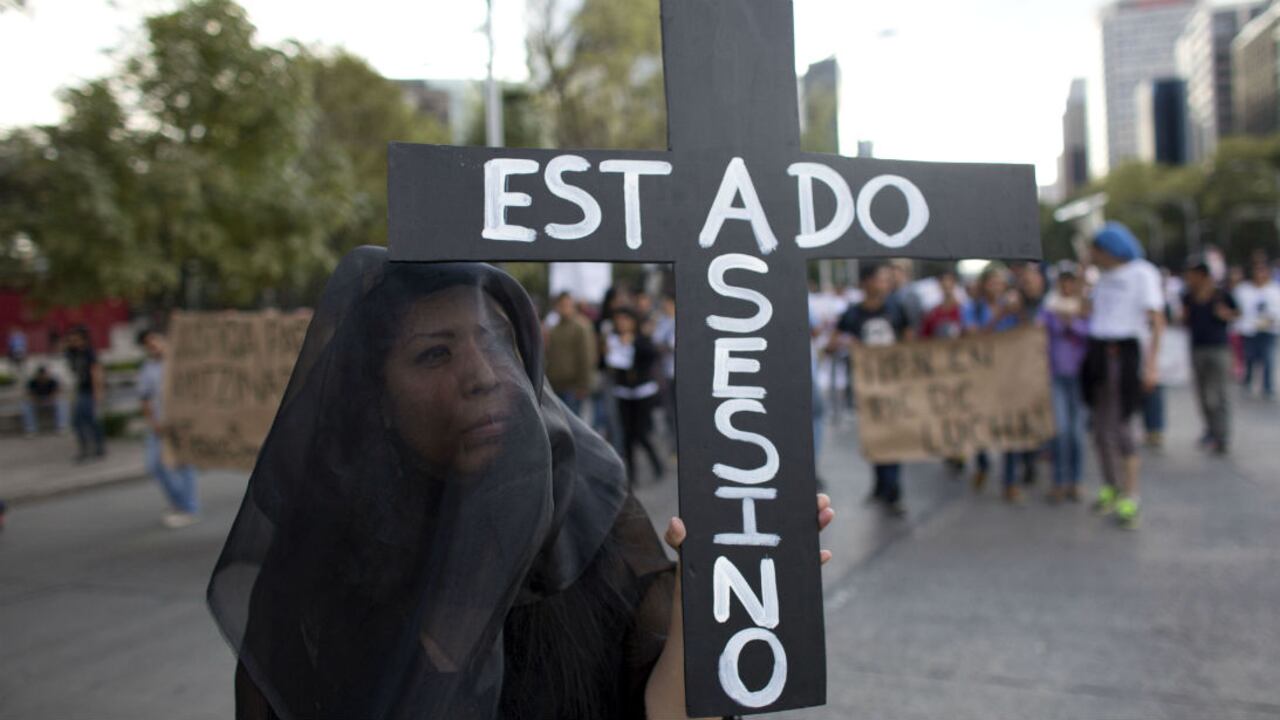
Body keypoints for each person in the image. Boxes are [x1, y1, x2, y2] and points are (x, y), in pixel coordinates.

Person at [208, 247, 835, 720]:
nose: (483, 375)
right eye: (434, 354)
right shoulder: (312, 581)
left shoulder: (594, 518)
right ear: (372, 398)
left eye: (498, 342)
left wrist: (712, 601)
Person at [1081, 222, 1164, 530]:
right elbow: (1084, 310)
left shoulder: (1143, 273)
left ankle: (1131, 495)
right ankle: (1111, 486)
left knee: (1120, 427)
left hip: (1123, 352)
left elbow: (1157, 320)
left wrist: (1152, 364)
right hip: (1099, 351)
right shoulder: (1102, 277)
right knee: (1101, 429)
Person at [833, 263, 911, 516]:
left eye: (888, 280)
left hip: (893, 385)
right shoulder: (853, 313)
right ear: (866, 282)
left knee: (894, 437)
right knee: (875, 436)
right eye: (881, 278)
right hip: (865, 387)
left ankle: (893, 490)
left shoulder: (897, 308)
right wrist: (847, 342)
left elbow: (912, 341)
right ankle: (881, 486)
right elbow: (832, 342)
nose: (886, 284)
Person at [961, 265, 1022, 500]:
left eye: (1000, 282)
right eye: (991, 282)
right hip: (982, 376)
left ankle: (1010, 481)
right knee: (981, 424)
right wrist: (1000, 315)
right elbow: (974, 336)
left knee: (1011, 428)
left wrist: (1018, 312)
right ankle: (983, 463)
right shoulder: (973, 308)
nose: (996, 287)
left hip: (1008, 375)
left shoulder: (1016, 308)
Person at [137, 328, 201, 528]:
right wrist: (153, 423)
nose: (154, 346)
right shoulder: (148, 369)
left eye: (155, 341)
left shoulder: (180, 363)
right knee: (155, 464)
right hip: (160, 425)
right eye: (149, 344)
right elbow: (145, 398)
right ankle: (180, 502)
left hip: (181, 423)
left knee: (183, 465)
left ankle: (188, 508)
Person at [1040, 262, 1089, 502]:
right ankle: (1059, 480)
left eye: (1072, 281)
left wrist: (1073, 322)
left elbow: (1089, 333)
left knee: (1077, 434)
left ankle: (1075, 480)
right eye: (1064, 281)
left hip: (1079, 376)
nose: (1068, 285)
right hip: (1056, 375)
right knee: (1061, 431)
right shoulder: (1049, 308)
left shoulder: (1084, 307)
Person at [1181, 259, 1240, 454]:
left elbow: (1237, 312)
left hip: (1219, 348)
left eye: (1192, 275)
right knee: (1203, 393)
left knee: (1220, 393)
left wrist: (1226, 314)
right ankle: (1210, 430)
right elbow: (1184, 318)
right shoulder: (1188, 296)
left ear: (1202, 275)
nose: (1188, 279)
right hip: (1197, 347)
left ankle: (1222, 435)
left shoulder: (1221, 294)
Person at [606, 307, 665, 483]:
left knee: (641, 433)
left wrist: (633, 344)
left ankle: (657, 464)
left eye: (626, 319)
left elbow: (651, 355)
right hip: (623, 393)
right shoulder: (613, 340)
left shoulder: (641, 339)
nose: (622, 323)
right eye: (619, 319)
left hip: (642, 393)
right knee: (627, 435)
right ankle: (632, 474)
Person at [543, 292, 597, 417]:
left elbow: (587, 357)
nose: (564, 308)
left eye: (567, 304)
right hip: (556, 385)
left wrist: (584, 384)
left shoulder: (581, 326)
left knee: (573, 426)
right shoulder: (554, 328)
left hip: (573, 387)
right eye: (561, 305)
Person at [1234, 259, 1280, 398]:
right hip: (1249, 329)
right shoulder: (1243, 290)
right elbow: (1238, 309)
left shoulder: (1274, 290)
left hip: (1269, 329)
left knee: (1268, 358)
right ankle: (1247, 381)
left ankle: (1267, 386)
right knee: (1249, 357)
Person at [64, 326, 106, 461]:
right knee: (77, 421)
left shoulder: (89, 353)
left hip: (89, 390)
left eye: (76, 338)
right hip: (80, 390)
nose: (73, 341)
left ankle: (98, 447)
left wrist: (98, 392)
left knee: (90, 419)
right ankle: (86, 448)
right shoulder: (73, 353)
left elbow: (96, 372)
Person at [21, 365, 68, 436]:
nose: (43, 377)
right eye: (41, 375)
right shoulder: (33, 382)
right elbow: (29, 394)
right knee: (26, 406)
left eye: (44, 374)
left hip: (50, 400)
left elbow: (56, 392)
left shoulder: (52, 381)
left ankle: (61, 427)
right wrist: (37, 400)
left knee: (62, 403)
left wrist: (50, 399)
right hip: (37, 401)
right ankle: (31, 429)